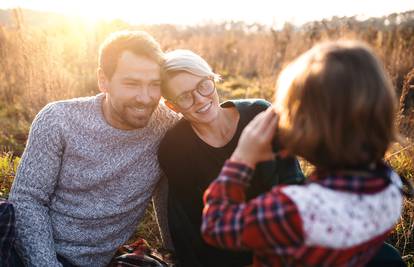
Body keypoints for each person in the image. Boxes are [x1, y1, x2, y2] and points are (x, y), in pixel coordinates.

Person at [201, 41, 405, 266]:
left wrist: (242, 158)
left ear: (304, 128)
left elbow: (215, 225)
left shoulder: (294, 211)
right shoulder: (390, 185)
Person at [9, 30, 179, 267]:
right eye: (132, 84)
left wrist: (175, 255)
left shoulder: (168, 128)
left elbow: (168, 202)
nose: (145, 97)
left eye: (154, 85)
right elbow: (28, 200)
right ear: (103, 80)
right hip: (20, 247)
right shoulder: (58, 120)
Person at [157, 49, 304, 267]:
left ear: (212, 78)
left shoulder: (259, 114)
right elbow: (193, 224)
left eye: (203, 85)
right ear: (172, 106)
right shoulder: (175, 148)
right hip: (226, 252)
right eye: (185, 97)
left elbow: (293, 181)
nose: (200, 100)